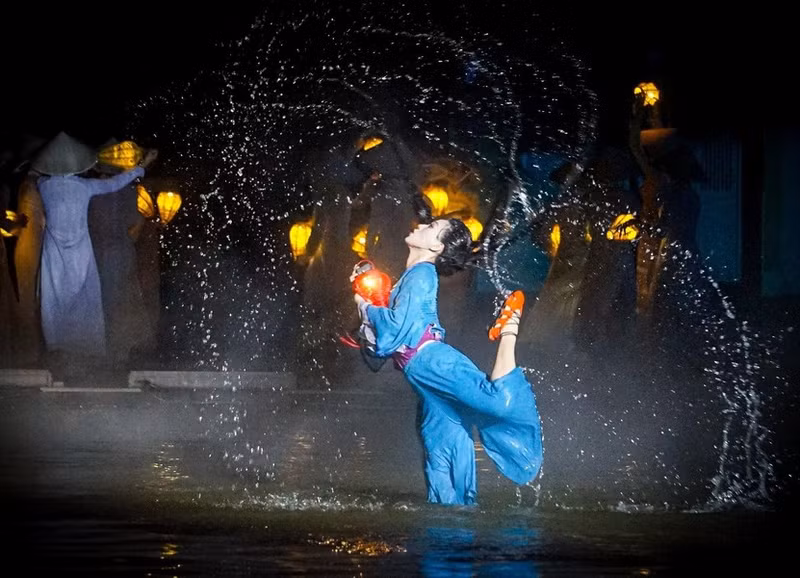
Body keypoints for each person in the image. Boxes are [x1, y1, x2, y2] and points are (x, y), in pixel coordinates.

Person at [353, 218, 543, 505]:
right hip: (423, 379)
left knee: (497, 399)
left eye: (431, 226)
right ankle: (451, 521)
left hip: (434, 363)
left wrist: (364, 304)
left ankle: (509, 328)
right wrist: (372, 302)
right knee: (443, 455)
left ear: (436, 246)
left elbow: (391, 332)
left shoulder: (421, 275)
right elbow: (388, 335)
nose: (420, 224)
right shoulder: (413, 275)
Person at [33, 132, 157, 360]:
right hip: (82, 250)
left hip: (54, 252)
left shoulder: (44, 186)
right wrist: (142, 166)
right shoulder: (85, 187)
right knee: (87, 299)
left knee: (55, 299)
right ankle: (87, 349)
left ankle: (58, 347)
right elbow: (115, 183)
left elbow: (36, 175)